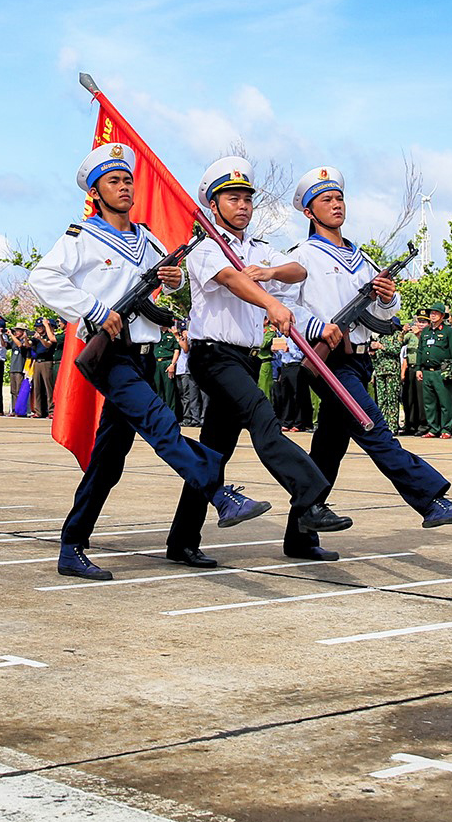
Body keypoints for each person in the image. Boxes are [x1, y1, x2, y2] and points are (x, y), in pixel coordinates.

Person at [25, 143, 272, 581]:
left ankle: (72, 545)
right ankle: (220, 493)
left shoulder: (147, 239)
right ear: (96, 192)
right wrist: (93, 309)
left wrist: (173, 280)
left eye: (127, 180)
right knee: (161, 423)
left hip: (143, 356)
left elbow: (167, 291)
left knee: (109, 459)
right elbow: (42, 278)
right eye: (113, 182)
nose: (124, 187)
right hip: (109, 355)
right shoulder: (81, 237)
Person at [275, 166, 452, 555]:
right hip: (330, 363)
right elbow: (283, 307)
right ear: (309, 212)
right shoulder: (303, 256)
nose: (336, 205)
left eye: (339, 198)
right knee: (376, 432)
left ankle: (301, 533)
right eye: (326, 200)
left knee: (329, 448)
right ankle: (430, 498)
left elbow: (384, 321)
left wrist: (386, 298)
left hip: (360, 361)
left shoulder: (362, 258)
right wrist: (318, 327)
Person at [176, 155, 351, 566]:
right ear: (213, 206)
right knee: (262, 416)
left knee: (214, 452)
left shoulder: (257, 250)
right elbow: (232, 281)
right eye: (232, 198)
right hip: (212, 355)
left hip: (244, 357)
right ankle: (310, 497)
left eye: (246, 199)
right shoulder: (205, 247)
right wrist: (269, 300)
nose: (242, 206)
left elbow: (297, 270)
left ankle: (181, 540)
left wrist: (270, 273)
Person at [413, 304, 452, 437]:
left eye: (436, 313)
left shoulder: (448, 331)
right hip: (427, 371)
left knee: (445, 402)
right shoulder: (426, 332)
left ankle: (446, 429)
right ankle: (433, 428)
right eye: (431, 313)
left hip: (441, 371)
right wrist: (418, 368)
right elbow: (420, 350)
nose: (432, 315)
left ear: (442, 316)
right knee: (429, 403)